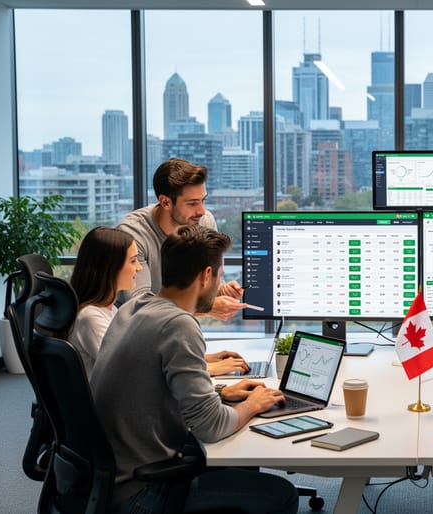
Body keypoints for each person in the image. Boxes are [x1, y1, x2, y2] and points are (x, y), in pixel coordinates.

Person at [91, 224, 297, 513]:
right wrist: (253, 404)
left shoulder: (135, 308)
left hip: (108, 477)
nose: (219, 282)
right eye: (220, 274)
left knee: (242, 460)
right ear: (206, 275)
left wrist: (224, 392)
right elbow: (211, 426)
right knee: (281, 493)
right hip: (141, 491)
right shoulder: (178, 325)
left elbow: (155, 385)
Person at [118, 157, 250, 376]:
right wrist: (207, 308)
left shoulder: (204, 222)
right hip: (139, 348)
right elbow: (140, 308)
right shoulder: (133, 234)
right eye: (192, 203)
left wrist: (222, 290)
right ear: (166, 202)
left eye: (203, 200)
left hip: (176, 340)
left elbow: (205, 283)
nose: (201, 211)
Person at [69, 227, 142, 380]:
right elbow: (127, 371)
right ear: (110, 267)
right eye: (133, 261)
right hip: (109, 401)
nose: (139, 268)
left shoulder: (109, 309)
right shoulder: (90, 318)